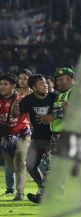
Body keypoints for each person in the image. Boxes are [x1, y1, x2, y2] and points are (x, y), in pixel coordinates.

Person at [19, 74, 57, 203]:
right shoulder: (27, 100)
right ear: (34, 87)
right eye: (41, 84)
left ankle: (45, 192)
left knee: (50, 167)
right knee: (30, 165)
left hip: (53, 138)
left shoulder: (54, 97)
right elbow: (18, 111)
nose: (45, 85)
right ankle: (44, 188)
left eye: (46, 83)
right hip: (37, 138)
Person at [0, 73, 31, 201]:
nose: (2, 87)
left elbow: (30, 114)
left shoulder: (21, 99)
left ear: (13, 86)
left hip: (22, 134)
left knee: (19, 162)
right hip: (6, 137)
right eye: (0, 84)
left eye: (5, 84)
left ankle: (20, 194)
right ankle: (30, 171)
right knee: (12, 166)